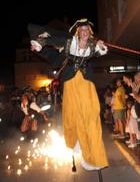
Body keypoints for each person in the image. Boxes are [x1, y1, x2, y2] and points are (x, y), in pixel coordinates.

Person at [30, 18, 108, 170]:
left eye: (87, 30)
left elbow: (100, 51)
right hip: (71, 83)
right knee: (73, 115)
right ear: (78, 33)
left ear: (90, 33)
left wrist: (100, 46)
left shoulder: (93, 45)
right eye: (82, 30)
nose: (85, 32)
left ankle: (93, 156)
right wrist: (40, 43)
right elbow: (53, 38)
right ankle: (77, 143)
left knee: (91, 117)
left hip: (86, 85)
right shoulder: (69, 42)